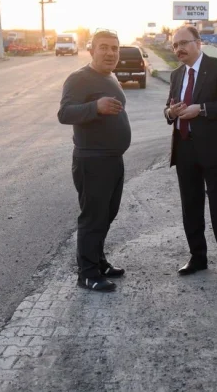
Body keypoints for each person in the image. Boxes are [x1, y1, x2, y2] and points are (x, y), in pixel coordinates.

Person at [164, 26, 217, 286]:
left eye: (184, 43)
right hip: (185, 149)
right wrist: (171, 113)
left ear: (198, 43)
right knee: (191, 207)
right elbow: (168, 109)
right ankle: (197, 257)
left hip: (214, 151)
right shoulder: (176, 75)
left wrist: (203, 109)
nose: (179, 50)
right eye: (175, 46)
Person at [57, 29, 130, 292]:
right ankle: (87, 274)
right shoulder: (79, 79)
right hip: (92, 161)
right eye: (104, 47)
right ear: (92, 50)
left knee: (107, 214)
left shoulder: (109, 75)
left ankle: (98, 262)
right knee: (93, 218)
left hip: (112, 159)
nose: (110, 53)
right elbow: (64, 113)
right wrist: (95, 107)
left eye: (115, 47)